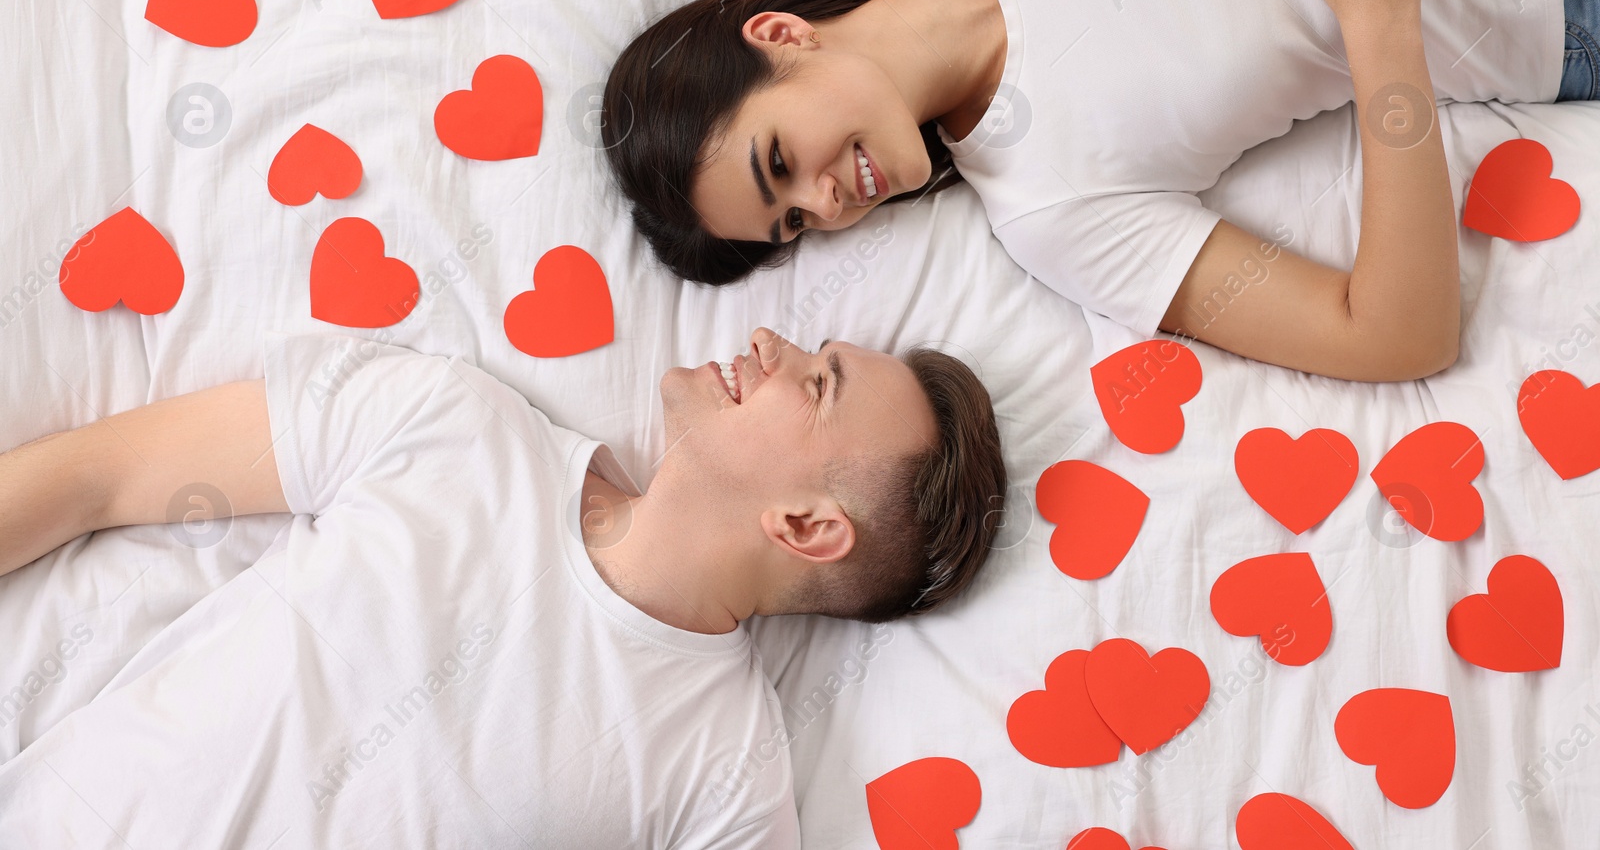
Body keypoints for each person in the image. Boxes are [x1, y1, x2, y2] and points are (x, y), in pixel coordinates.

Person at [602, 0, 1600, 383]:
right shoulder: (1056, 211)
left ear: (779, 36)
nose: (824, 202)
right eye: (794, 225)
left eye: (778, 162)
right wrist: (1381, 23)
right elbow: (1395, 334)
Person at [0, 327, 1005, 847]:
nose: (771, 344)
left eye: (816, 380)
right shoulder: (448, 421)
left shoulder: (724, 783)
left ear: (806, 525)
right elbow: (94, 477)